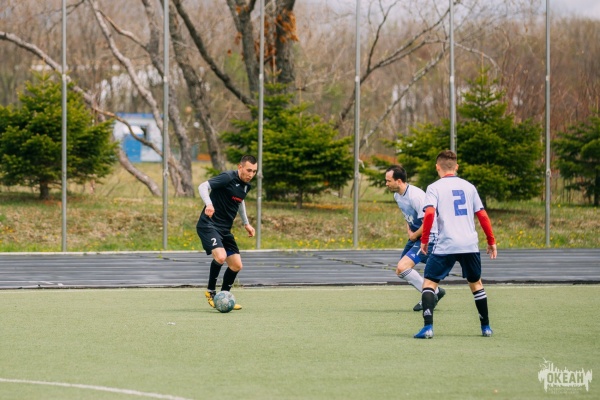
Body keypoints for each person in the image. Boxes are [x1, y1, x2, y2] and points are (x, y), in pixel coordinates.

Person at [414, 150, 497, 339]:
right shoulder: (469, 187)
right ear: (456, 167)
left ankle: (428, 328)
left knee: (429, 283)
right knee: (476, 284)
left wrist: (424, 240)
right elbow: (482, 215)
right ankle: (486, 327)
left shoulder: (434, 188)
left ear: (437, 167)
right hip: (469, 244)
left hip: (446, 244)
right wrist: (491, 241)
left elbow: (429, 214)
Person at [196, 155, 258, 310]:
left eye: (254, 171)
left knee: (236, 265)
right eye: (248, 170)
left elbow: (240, 201)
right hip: (208, 225)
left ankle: (224, 297)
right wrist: (209, 204)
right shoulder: (227, 177)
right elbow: (202, 186)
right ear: (240, 167)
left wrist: (246, 223)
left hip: (224, 229)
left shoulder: (246, 186)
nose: (251, 174)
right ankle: (210, 292)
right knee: (221, 256)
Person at [385, 165, 446, 311]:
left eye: (388, 181)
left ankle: (431, 295)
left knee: (403, 267)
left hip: (428, 236)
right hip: (416, 235)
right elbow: (408, 216)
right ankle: (436, 291)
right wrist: (409, 230)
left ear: (399, 181)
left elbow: (428, 223)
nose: (386, 184)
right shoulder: (397, 195)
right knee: (401, 271)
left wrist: (414, 234)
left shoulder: (416, 196)